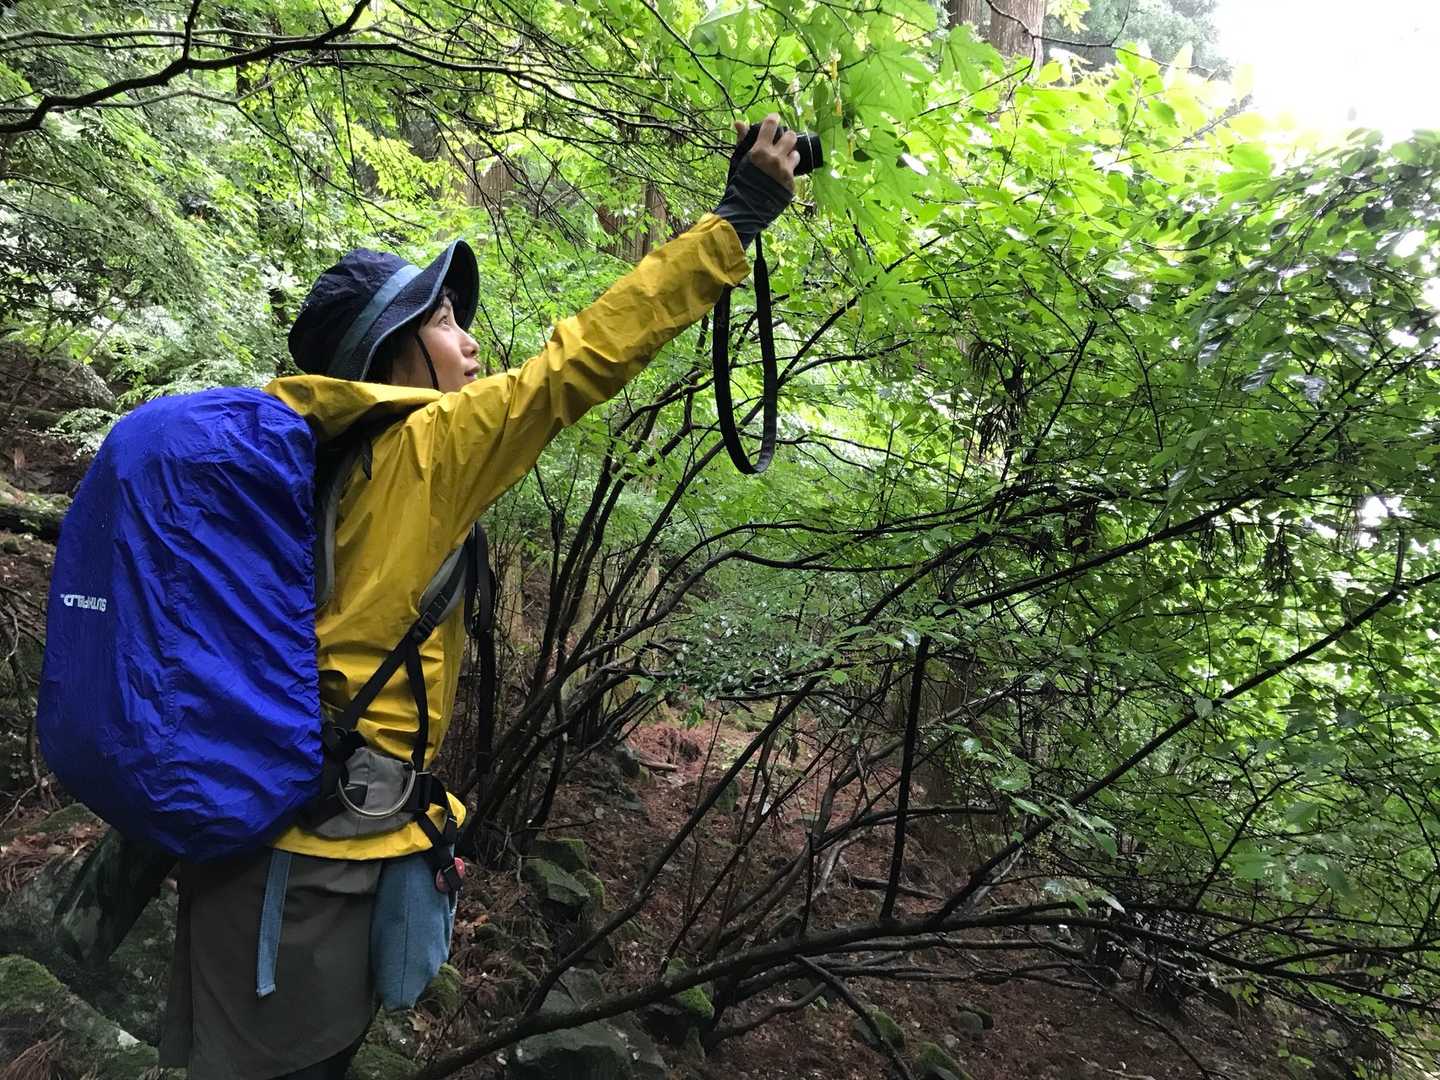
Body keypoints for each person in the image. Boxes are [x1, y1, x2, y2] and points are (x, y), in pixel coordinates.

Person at [144, 116, 801, 1079]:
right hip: (312, 869)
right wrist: (736, 219)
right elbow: (579, 361)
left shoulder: (317, 459)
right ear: (390, 349)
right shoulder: (427, 446)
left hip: (251, 835)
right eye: (447, 320)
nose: (472, 340)